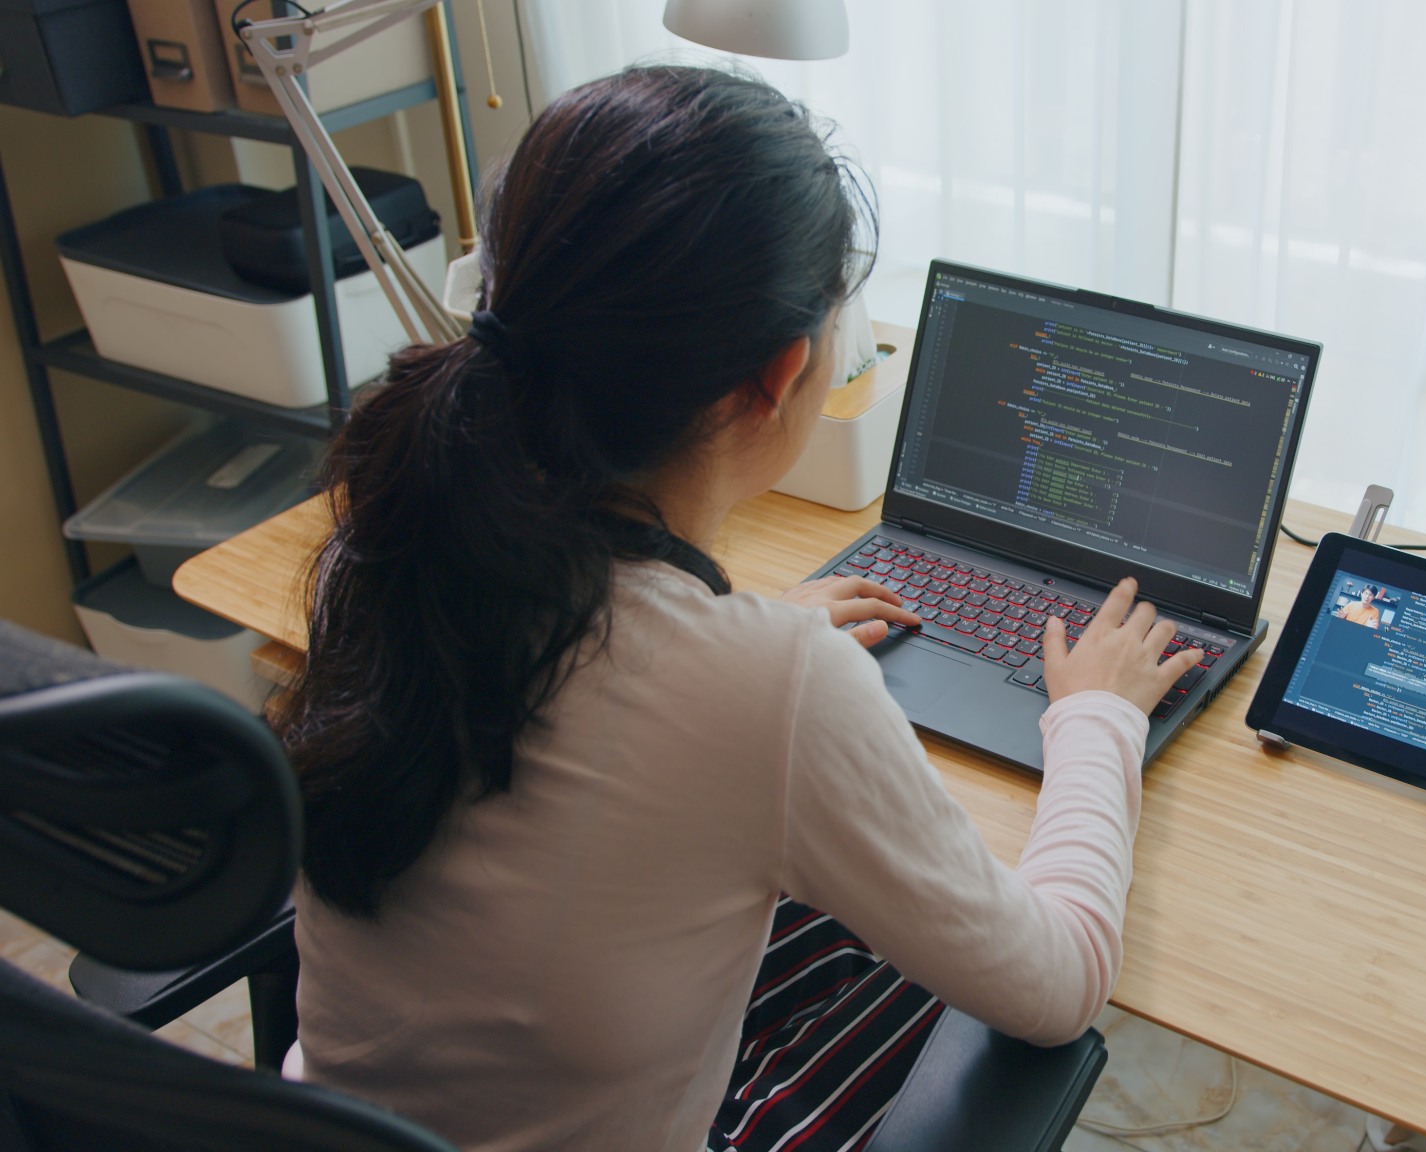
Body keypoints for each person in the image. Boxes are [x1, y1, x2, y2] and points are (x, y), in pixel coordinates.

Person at [272, 66, 1200, 1152]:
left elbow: (607, 712)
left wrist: (738, 637)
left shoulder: (384, 539)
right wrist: (1099, 718)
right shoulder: (765, 686)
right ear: (783, 374)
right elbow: (1062, 982)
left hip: (321, 1125)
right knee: (929, 958)